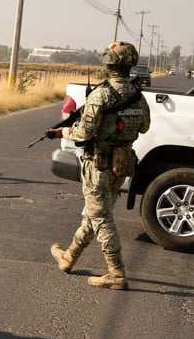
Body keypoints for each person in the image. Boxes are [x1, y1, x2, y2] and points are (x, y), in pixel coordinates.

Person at [47, 42, 150, 290]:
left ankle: (116, 272)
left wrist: (62, 133)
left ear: (108, 64)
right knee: (95, 213)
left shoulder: (101, 95)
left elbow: (83, 132)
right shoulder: (138, 96)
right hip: (122, 164)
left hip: (99, 165)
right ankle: (69, 257)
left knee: (101, 216)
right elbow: (144, 127)